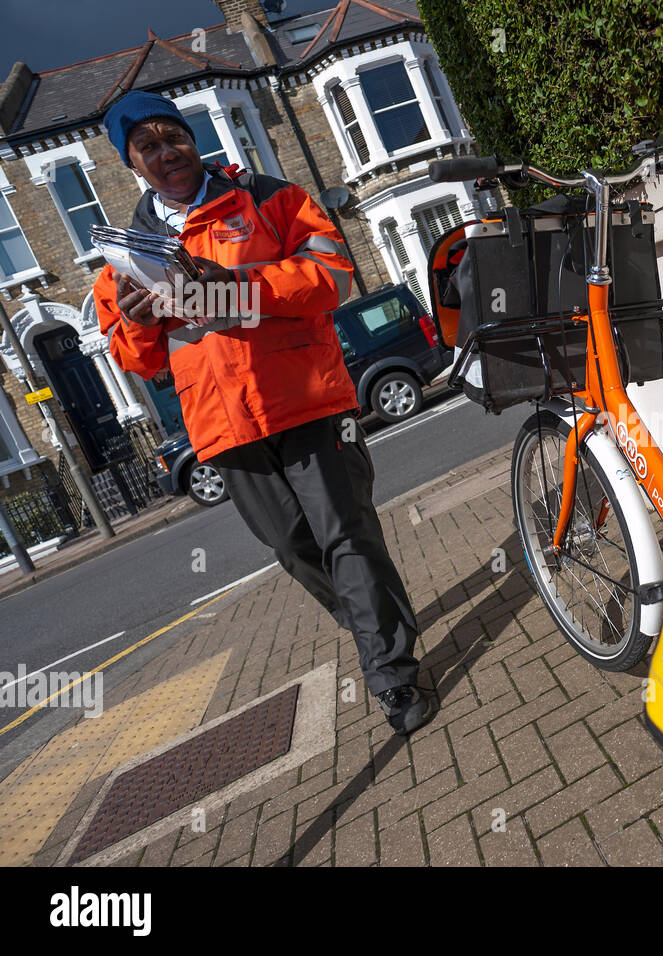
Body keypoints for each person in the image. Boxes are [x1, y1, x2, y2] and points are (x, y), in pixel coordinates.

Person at [93, 90, 434, 735]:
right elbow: (135, 360)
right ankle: (376, 625)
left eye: (176, 137)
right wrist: (140, 324)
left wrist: (241, 285)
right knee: (293, 546)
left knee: (346, 536)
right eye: (149, 146)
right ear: (131, 164)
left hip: (306, 397)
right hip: (223, 425)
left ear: (193, 141)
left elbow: (333, 275)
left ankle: (391, 670)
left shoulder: (272, 197)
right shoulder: (123, 254)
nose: (168, 153)